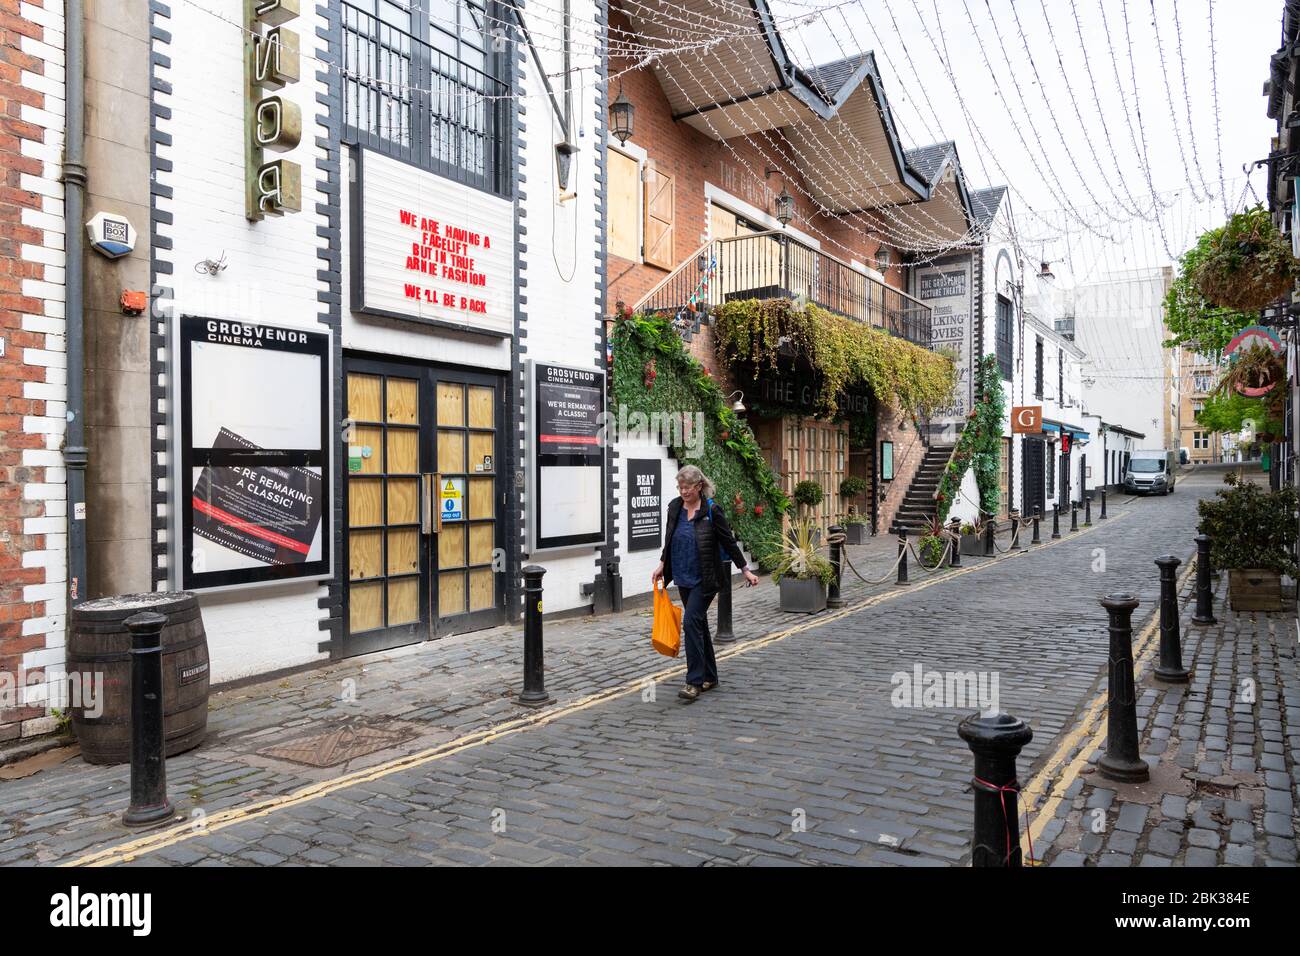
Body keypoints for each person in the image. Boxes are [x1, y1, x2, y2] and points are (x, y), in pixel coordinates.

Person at [652, 465, 759, 702]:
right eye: (680, 487)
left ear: (699, 486)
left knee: (690, 622)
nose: (683, 491)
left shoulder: (712, 510)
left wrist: (745, 570)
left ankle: (694, 682)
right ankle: (710, 675)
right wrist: (662, 564)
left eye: (687, 487)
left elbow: (729, 542)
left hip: (706, 578)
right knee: (699, 625)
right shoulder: (675, 507)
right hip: (682, 574)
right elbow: (669, 538)